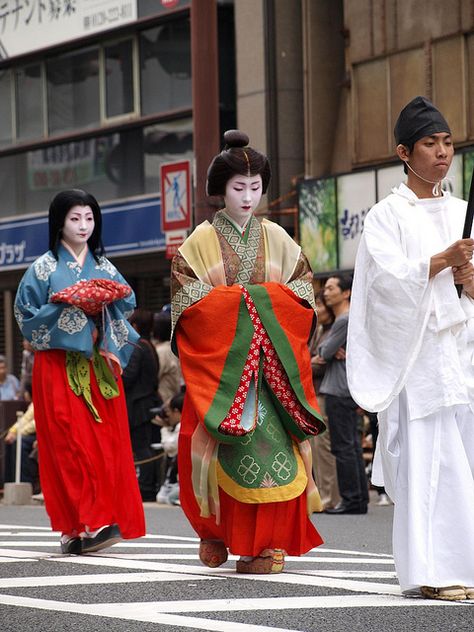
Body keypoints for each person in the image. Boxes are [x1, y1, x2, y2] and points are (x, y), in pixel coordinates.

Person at [171, 129, 325, 574]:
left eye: (256, 187)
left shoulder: (278, 236)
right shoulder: (198, 242)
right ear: (221, 189)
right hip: (223, 372)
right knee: (205, 446)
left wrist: (251, 303)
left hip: (270, 372)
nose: (247, 196)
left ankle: (265, 545)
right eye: (239, 187)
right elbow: (187, 302)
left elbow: (302, 292)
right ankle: (216, 531)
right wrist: (250, 304)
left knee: (275, 455)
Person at [347, 96, 474, 601]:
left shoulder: (465, 211)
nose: (442, 152)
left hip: (463, 350)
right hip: (418, 357)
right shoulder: (385, 216)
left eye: (447, 142)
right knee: (431, 458)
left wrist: (468, 277)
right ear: (404, 152)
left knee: (465, 452)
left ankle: (462, 561)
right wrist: (442, 260)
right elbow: (383, 285)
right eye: (429, 143)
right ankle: (434, 568)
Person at [14, 188, 146, 555]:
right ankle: (74, 525)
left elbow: (127, 304)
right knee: (66, 444)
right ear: (59, 222)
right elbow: (26, 318)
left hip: (96, 366)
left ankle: (94, 520)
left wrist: (101, 311)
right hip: (56, 365)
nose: (83, 225)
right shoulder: (41, 269)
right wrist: (68, 309)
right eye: (75, 218)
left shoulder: (105, 268)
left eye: (89, 218)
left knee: (102, 443)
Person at [316, 275, 369, 515]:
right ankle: (358, 499)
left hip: (338, 387)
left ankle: (352, 500)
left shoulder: (343, 320)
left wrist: (326, 351)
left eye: (331, 288)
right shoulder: (349, 318)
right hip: (347, 387)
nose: (326, 293)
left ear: (346, 293)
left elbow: (324, 352)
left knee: (343, 446)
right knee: (351, 445)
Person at [122, 308, 161, 502]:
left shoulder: (137, 346)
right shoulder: (149, 345)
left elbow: (128, 377)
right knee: (146, 445)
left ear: (135, 325)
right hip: (147, 401)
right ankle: (148, 485)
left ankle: (145, 487)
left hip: (138, 405)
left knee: (142, 445)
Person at [309, 290, 341, 511]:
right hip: (315, 392)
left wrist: (310, 361)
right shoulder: (318, 329)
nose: (318, 308)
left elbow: (320, 361)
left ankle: (331, 496)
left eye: (320, 304)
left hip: (325, 391)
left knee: (324, 447)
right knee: (316, 447)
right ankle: (322, 493)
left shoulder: (334, 329)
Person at [4, 383, 39, 492]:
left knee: (20, 443)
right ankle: (10, 480)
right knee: (10, 441)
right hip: (31, 434)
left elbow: (37, 423)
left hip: (42, 435)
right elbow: (25, 418)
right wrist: (12, 431)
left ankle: (26, 482)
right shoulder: (35, 403)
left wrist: (19, 433)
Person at [155, 391, 183, 505]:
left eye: (168, 411)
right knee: (162, 497)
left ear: (176, 411)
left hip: (184, 481)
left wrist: (165, 429)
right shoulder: (179, 426)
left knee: (169, 498)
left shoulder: (181, 426)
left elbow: (171, 448)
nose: (167, 415)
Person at [153, 310, 182, 404]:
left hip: (165, 401)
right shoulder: (174, 348)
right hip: (172, 397)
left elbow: (153, 377)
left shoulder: (162, 352)